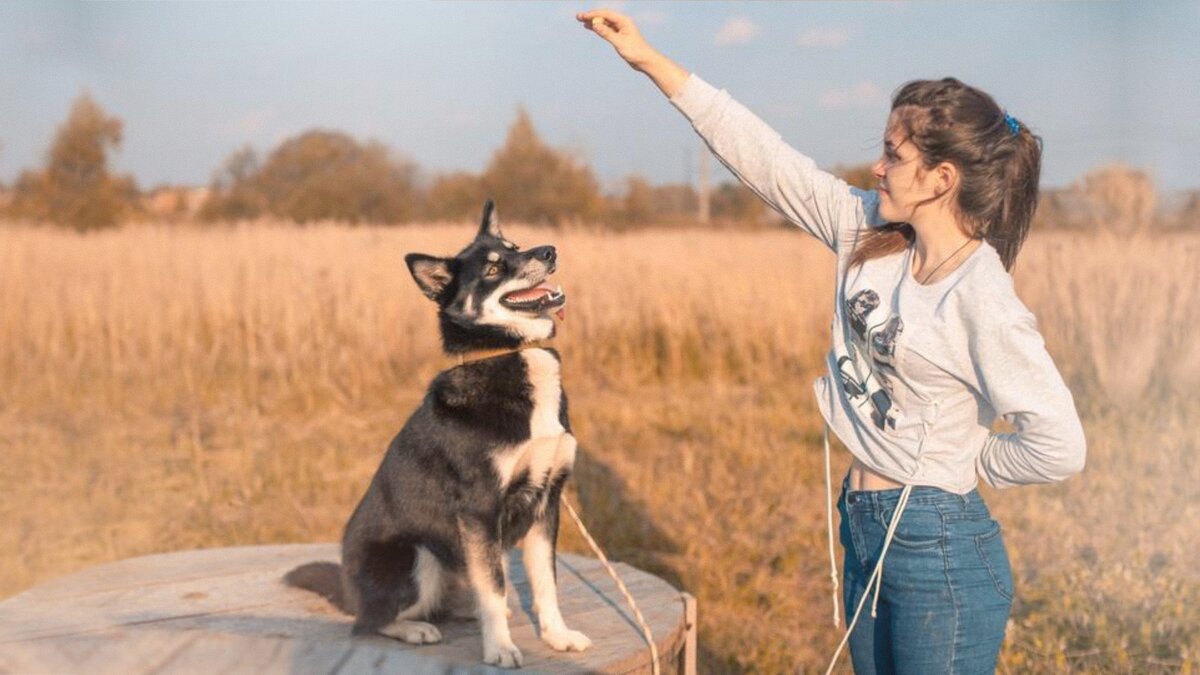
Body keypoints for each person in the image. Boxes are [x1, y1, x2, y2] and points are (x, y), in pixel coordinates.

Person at [578, 9, 1087, 674]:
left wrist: (969, 464)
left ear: (942, 178)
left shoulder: (982, 299)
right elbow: (763, 157)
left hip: (939, 547)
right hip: (865, 521)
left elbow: (1061, 445)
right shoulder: (863, 229)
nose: (877, 166)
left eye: (895, 156)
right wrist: (650, 60)